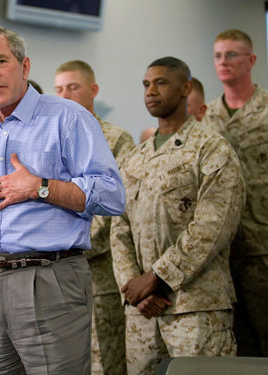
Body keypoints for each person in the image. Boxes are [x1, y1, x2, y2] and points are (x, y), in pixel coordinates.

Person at [0, 25, 125, 375]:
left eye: (1, 61)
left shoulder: (68, 117)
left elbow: (113, 195)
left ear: (24, 67)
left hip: (49, 279)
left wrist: (39, 186)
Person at [110, 56, 245, 375]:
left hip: (195, 307)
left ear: (186, 88)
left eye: (161, 82)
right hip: (142, 313)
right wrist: (134, 288)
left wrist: (156, 278)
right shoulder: (135, 158)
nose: (151, 91)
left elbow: (213, 227)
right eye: (146, 84)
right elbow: (118, 227)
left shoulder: (211, 149)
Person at [55, 60, 134, 375]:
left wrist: (70, 238)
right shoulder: (53, 136)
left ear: (93, 90)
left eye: (73, 87)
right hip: (57, 272)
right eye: (59, 89)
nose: (65, 95)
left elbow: (117, 205)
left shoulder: (116, 139)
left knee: (103, 360)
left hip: (98, 274)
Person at [201, 29, 268, 356]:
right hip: (222, 248)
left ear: (251, 60)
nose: (223, 62)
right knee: (235, 345)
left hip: (263, 244)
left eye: (231, 54)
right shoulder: (206, 116)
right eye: (217, 55)